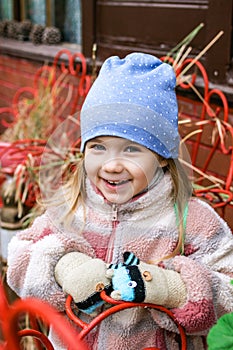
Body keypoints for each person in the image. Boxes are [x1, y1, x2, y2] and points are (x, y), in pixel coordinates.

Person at [7, 52, 233, 350]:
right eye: (98, 146)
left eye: (131, 150)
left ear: (163, 158)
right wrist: (65, 265)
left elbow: (228, 288)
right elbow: (21, 257)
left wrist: (168, 288)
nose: (111, 165)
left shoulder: (191, 219)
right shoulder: (72, 206)